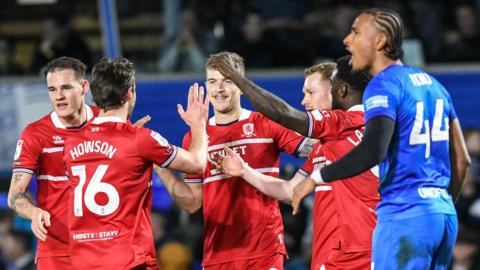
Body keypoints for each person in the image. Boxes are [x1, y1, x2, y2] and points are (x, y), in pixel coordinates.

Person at [290, 8, 471, 269]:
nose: (347, 40)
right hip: (441, 215)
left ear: (380, 41)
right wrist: (435, 207)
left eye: (355, 32)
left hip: (405, 216)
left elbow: (372, 150)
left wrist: (316, 178)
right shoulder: (435, 85)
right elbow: (462, 160)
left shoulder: (382, 85)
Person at [214, 56, 380, 269]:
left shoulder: (343, 124)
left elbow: (283, 114)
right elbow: (291, 191)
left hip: (352, 253)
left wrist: (236, 79)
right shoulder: (329, 144)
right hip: (339, 252)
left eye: (310, 93)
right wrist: (245, 171)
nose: (304, 101)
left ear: (337, 91)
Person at [155, 51, 315, 270]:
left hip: (264, 250)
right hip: (218, 254)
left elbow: (317, 150)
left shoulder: (266, 123)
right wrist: (161, 167)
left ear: (241, 86)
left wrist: (295, 185)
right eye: (212, 81)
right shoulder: (196, 136)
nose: (218, 89)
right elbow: (192, 203)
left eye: (227, 81)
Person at [62, 57, 209, 269]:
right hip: (128, 261)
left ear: (94, 95)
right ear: (130, 92)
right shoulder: (140, 139)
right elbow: (197, 163)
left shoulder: (71, 142)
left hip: (82, 262)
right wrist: (198, 124)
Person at [8, 56, 99, 270]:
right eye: (52, 89)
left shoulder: (108, 124)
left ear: (84, 86)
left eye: (66, 88)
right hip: (57, 250)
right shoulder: (35, 134)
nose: (58, 96)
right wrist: (34, 213)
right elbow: (14, 195)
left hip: (103, 245)